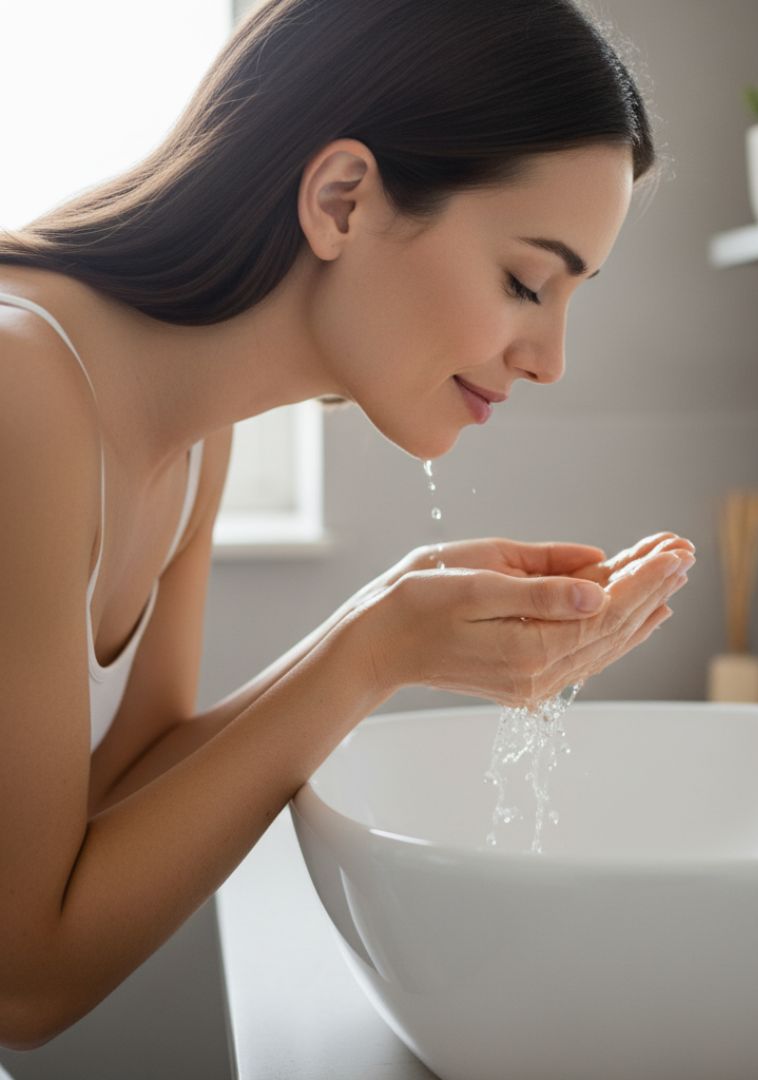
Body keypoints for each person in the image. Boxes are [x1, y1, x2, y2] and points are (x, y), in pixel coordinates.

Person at [0, 0, 695, 1051]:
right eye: (525, 282)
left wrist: (388, 617)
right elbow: (24, 983)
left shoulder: (192, 441)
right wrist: (376, 652)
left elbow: (111, 804)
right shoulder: (24, 389)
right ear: (340, 199)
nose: (549, 358)